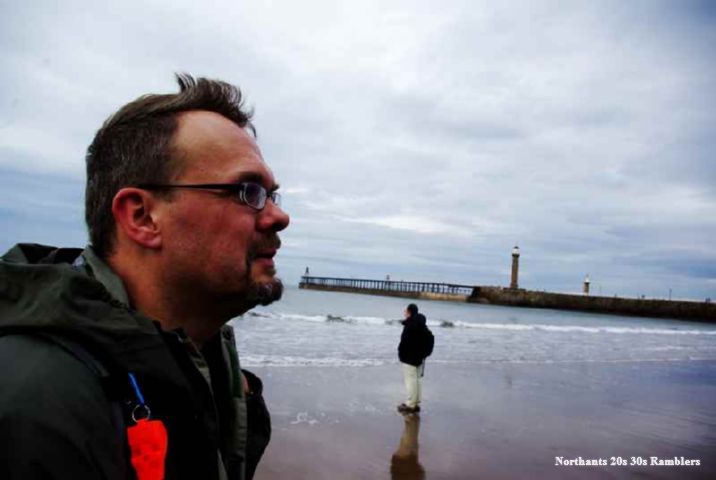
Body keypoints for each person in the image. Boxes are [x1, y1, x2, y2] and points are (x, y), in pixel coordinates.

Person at [0, 74, 290, 480]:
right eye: (248, 191)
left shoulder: (206, 363)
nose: (280, 216)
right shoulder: (37, 406)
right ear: (142, 217)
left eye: (271, 195)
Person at [397, 303, 430, 414]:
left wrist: (401, 353)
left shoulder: (410, 324)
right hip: (419, 358)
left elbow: (405, 342)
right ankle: (416, 403)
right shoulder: (422, 324)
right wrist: (424, 354)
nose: (404, 313)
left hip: (409, 358)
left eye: (405, 311)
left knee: (410, 381)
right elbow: (429, 338)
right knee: (417, 380)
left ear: (409, 312)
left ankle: (410, 404)